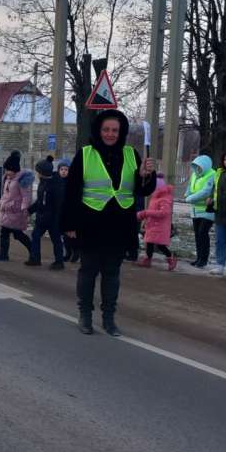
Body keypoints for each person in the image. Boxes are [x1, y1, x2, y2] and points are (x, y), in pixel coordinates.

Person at [62, 109, 157, 336]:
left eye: (115, 130)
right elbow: (72, 192)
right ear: (99, 130)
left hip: (120, 225)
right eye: (106, 129)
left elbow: (142, 190)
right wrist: (69, 225)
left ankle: (108, 318)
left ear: (121, 131)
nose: (110, 134)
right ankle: (85, 314)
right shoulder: (85, 154)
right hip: (90, 223)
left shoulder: (132, 154)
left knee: (112, 273)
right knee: (88, 271)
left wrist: (146, 175)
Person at [0, 150, 34, 262]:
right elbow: (5, 194)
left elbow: (26, 196)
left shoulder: (21, 180)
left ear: (14, 170)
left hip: (16, 212)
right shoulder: (7, 179)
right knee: (4, 233)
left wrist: (25, 209)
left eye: (8, 170)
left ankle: (33, 251)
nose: (6, 172)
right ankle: (3, 254)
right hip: (6, 210)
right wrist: (1, 202)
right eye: (6, 170)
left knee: (18, 234)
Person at [27, 156, 66, 270]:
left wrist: (57, 219)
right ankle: (35, 258)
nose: (36, 174)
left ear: (42, 173)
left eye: (38, 171)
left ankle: (59, 262)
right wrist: (30, 210)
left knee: (56, 240)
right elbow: (40, 201)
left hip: (53, 219)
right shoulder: (43, 183)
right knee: (35, 235)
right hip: (42, 217)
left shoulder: (55, 185)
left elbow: (58, 204)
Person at [137, 176, 177, 271]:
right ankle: (148, 259)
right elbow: (152, 210)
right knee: (149, 242)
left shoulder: (164, 199)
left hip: (160, 226)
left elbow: (164, 213)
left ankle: (170, 258)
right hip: (152, 225)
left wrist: (146, 213)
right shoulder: (154, 197)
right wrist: (145, 219)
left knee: (160, 245)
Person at [184, 155, 216, 268]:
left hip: (207, 211)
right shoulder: (194, 174)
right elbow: (189, 187)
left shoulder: (212, 174)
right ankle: (198, 258)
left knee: (203, 233)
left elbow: (206, 192)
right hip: (195, 210)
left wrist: (190, 198)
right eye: (195, 166)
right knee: (198, 235)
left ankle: (204, 259)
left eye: (199, 166)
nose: (197, 169)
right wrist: (186, 194)